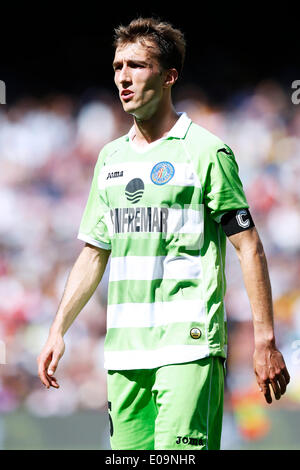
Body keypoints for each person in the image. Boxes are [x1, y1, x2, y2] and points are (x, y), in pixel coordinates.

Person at [37, 17, 290, 450]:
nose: (122, 77)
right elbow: (94, 252)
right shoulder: (110, 159)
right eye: (117, 67)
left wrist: (265, 340)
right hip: (124, 353)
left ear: (169, 76)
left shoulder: (207, 152)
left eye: (136, 65)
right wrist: (58, 328)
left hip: (188, 347)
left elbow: (249, 246)